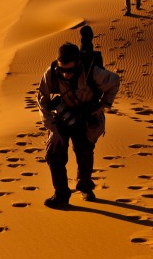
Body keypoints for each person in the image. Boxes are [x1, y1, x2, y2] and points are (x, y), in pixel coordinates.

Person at [37, 42, 120, 208]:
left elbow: (115, 82)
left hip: (86, 116)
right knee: (54, 152)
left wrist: (102, 106)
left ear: (78, 63)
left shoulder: (92, 72)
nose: (65, 74)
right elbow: (42, 101)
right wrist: (52, 130)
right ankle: (61, 193)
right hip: (63, 115)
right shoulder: (51, 73)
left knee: (84, 152)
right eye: (62, 70)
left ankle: (85, 187)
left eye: (70, 70)